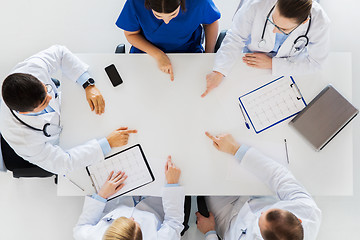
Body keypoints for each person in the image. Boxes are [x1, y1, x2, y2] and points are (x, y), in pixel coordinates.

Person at [0, 45, 137, 174]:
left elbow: (60, 52)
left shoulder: (31, 69)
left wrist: (87, 84)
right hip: (64, 140)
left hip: (73, 113)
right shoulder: (22, 139)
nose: (49, 96)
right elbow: (63, 164)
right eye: (43, 102)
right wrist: (107, 143)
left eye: (46, 88)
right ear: (25, 113)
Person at [196, 132, 321, 240]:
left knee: (202, 171)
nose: (260, 213)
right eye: (268, 211)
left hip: (228, 218)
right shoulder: (308, 211)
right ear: (299, 220)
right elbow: (279, 176)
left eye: (259, 221)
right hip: (258, 195)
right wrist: (236, 149)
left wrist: (209, 232)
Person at [202, 0, 330, 97]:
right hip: (249, 60)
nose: (274, 30)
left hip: (288, 67)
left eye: (283, 29)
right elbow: (235, 37)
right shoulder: (256, 4)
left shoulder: (320, 22)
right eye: (272, 21)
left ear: (304, 22)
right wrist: (220, 71)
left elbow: (316, 63)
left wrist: (272, 64)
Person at [73, 156, 184, 240]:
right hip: (156, 197)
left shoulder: (87, 236)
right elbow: (173, 223)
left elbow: (83, 225)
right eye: (136, 224)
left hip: (120, 193)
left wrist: (102, 195)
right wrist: (172, 185)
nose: (131, 217)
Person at [116, 0, 221, 81]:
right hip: (147, 54)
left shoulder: (198, 3)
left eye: (173, 14)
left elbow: (211, 22)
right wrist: (158, 55)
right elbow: (131, 34)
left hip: (189, 53)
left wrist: (209, 56)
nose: (166, 21)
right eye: (158, 15)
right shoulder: (135, 3)